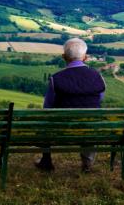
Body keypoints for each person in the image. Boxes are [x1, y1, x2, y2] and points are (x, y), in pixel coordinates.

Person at [35, 38, 106, 173]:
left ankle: (46, 161)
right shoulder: (97, 77)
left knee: (46, 120)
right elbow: (99, 99)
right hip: (90, 129)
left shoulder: (55, 79)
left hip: (62, 129)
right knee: (91, 120)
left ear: (64, 57)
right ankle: (87, 164)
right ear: (85, 57)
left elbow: (47, 107)